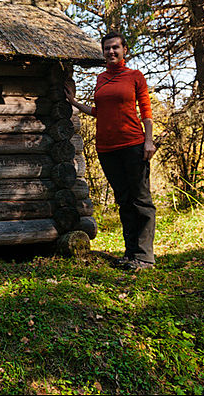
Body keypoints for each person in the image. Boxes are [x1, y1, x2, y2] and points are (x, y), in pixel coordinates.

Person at [64, 32, 156, 270]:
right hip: (106, 148)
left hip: (134, 145)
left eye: (115, 48)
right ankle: (130, 253)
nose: (111, 52)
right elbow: (100, 112)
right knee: (124, 200)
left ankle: (145, 257)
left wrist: (149, 141)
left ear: (124, 49)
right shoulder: (101, 78)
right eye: (107, 49)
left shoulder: (135, 76)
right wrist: (74, 103)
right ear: (103, 52)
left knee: (141, 201)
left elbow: (145, 110)